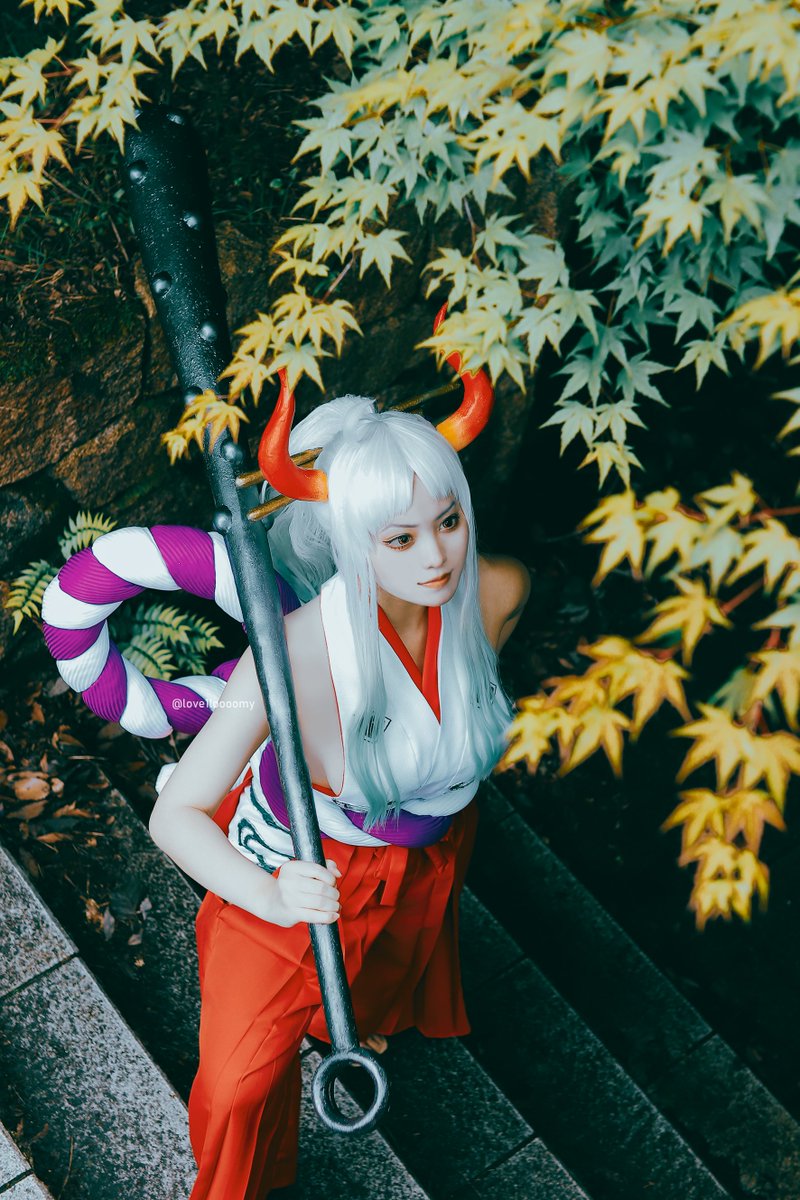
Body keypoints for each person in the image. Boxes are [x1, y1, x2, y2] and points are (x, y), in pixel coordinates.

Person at [148, 389, 530, 1200]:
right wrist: (269, 893)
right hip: (306, 865)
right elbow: (174, 814)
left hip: (432, 848)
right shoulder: (286, 659)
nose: (437, 557)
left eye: (449, 521)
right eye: (400, 538)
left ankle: (354, 1017)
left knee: (381, 973)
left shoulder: (497, 591)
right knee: (240, 1083)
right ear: (355, 539)